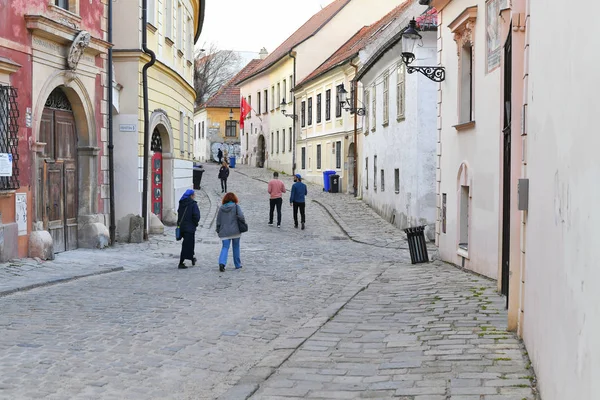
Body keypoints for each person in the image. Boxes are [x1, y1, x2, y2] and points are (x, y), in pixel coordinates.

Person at [216, 192, 245, 272]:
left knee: (225, 247)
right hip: (235, 231)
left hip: (224, 232)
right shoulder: (236, 206)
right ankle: (237, 264)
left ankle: (222, 263)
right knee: (236, 247)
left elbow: (218, 220)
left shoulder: (221, 208)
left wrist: (218, 229)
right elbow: (241, 216)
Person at [177, 189, 200, 269]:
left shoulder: (181, 203)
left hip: (182, 227)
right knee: (187, 244)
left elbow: (179, 214)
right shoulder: (193, 204)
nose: (194, 196)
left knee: (189, 243)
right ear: (191, 196)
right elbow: (196, 216)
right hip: (190, 227)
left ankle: (192, 258)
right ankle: (181, 262)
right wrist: (195, 223)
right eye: (194, 195)